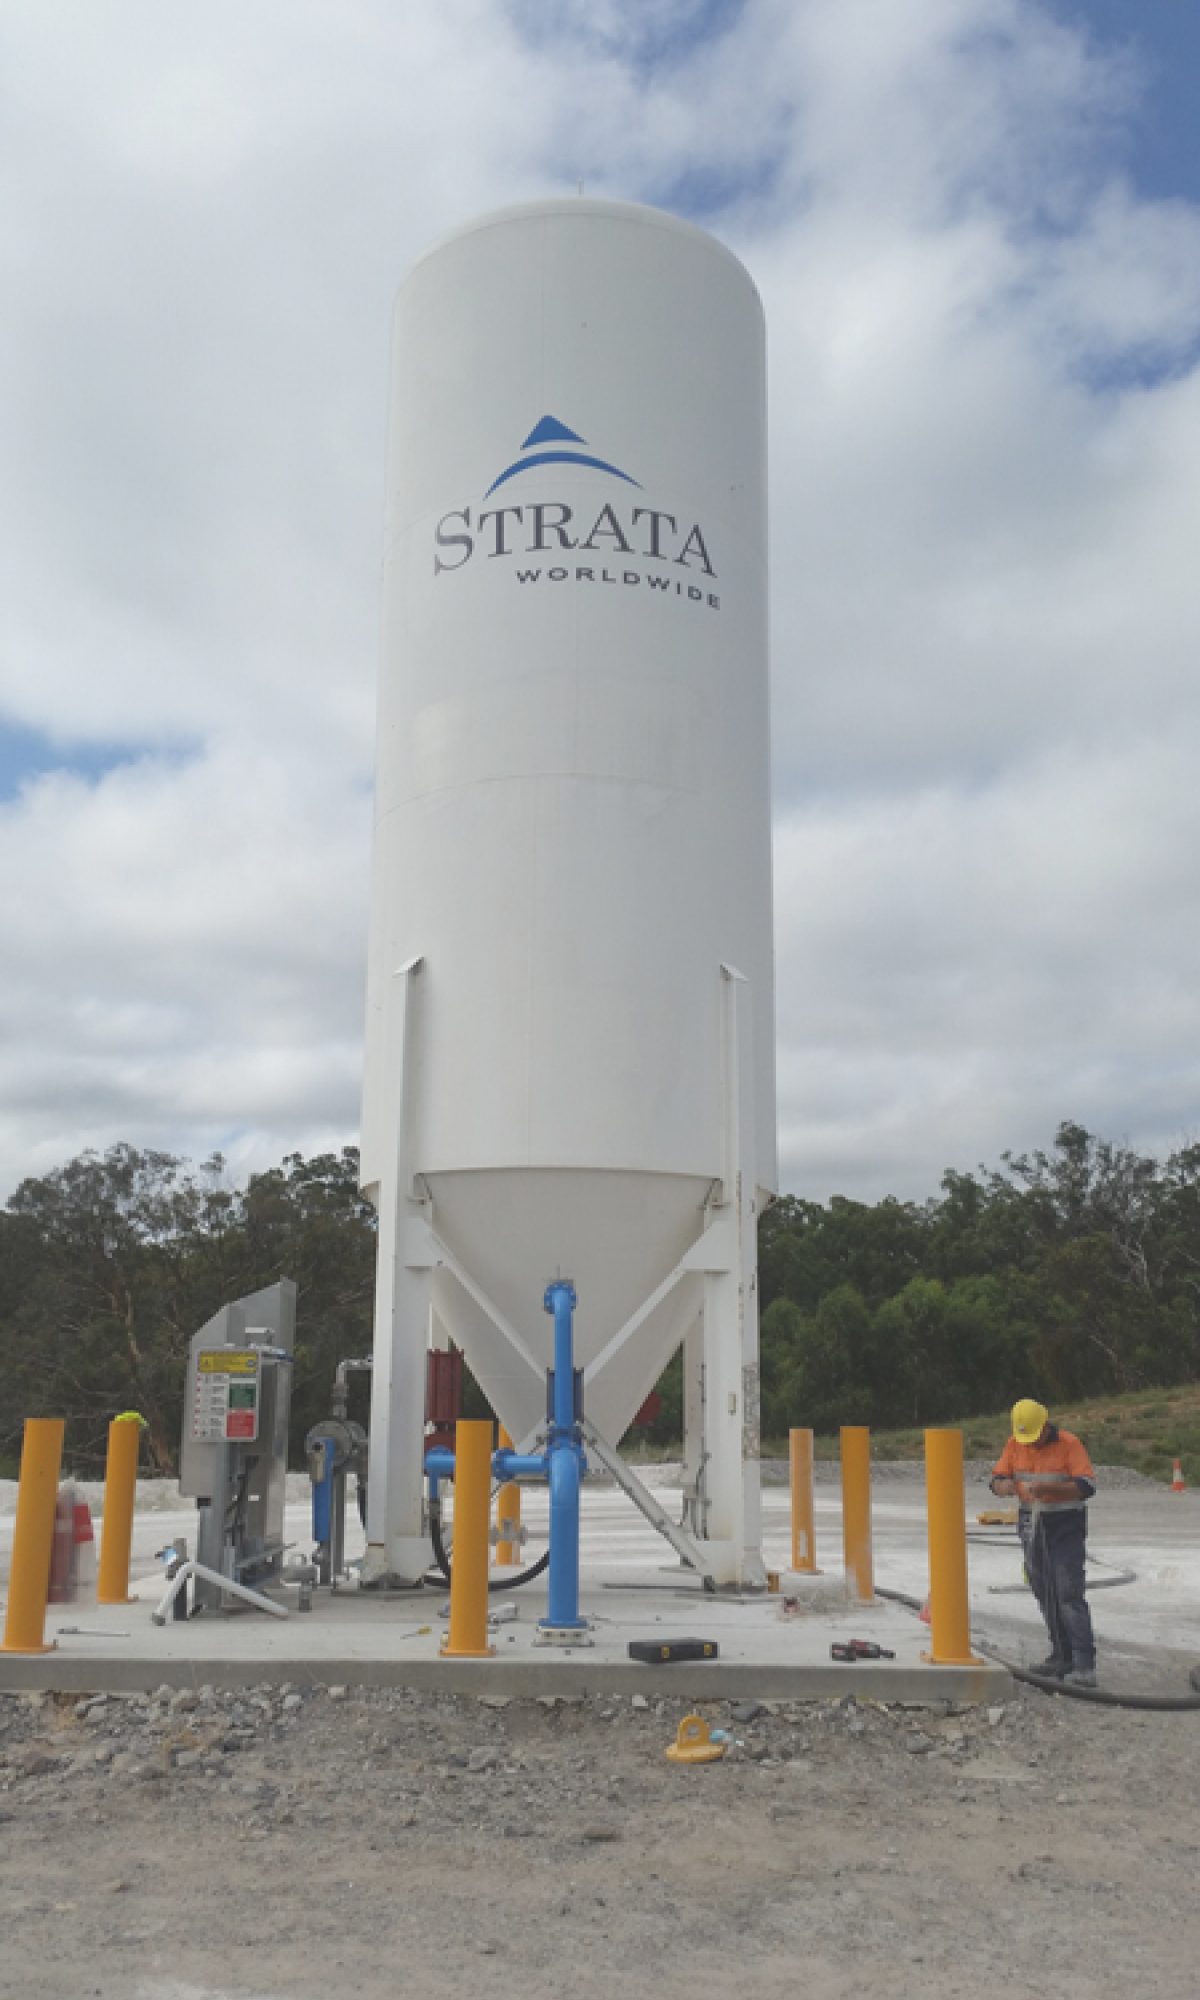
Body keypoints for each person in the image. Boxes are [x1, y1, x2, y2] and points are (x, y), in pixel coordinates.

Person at [990, 1398, 1098, 1687]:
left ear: (1045, 1425)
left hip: (1065, 1526)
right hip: (1031, 1525)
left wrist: (1050, 1489)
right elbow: (996, 1479)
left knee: (1068, 1592)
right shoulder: (1015, 1443)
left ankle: (1083, 1662)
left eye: (1035, 1436)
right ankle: (1060, 1655)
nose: (1031, 1443)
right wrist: (1005, 1486)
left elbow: (1087, 1487)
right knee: (1043, 1589)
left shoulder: (1069, 1444)